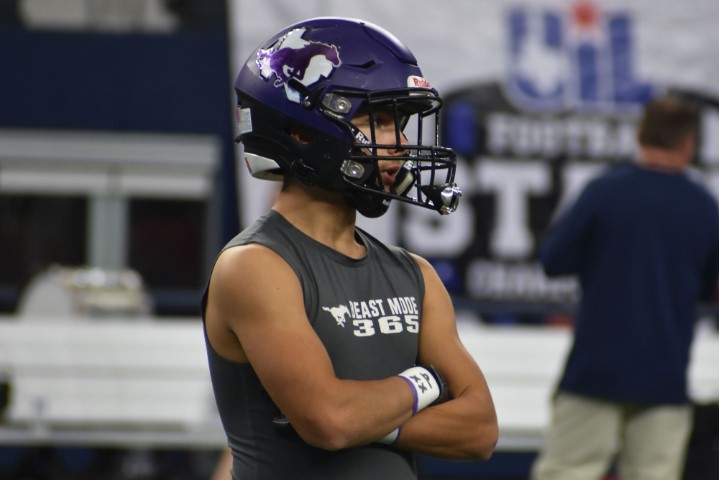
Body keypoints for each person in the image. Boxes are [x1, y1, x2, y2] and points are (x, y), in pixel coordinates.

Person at [202, 17, 498, 480]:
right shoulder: (255, 265)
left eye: (401, 124)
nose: (402, 144)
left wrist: (373, 418)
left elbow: (479, 430)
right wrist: (428, 381)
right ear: (303, 131)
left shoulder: (414, 273)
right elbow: (330, 421)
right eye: (379, 121)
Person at [531, 96, 719, 480]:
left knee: (568, 472)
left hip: (595, 371)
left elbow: (553, 261)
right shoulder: (703, 206)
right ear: (689, 143)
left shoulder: (604, 192)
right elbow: (708, 289)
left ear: (640, 135)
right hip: (665, 377)